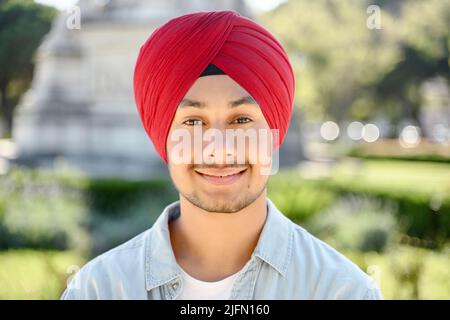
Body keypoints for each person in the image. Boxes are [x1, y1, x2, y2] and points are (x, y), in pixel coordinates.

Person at [61, 10, 382, 300]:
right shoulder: (98, 290)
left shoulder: (342, 291)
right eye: (193, 122)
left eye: (241, 119)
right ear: (164, 138)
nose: (219, 149)